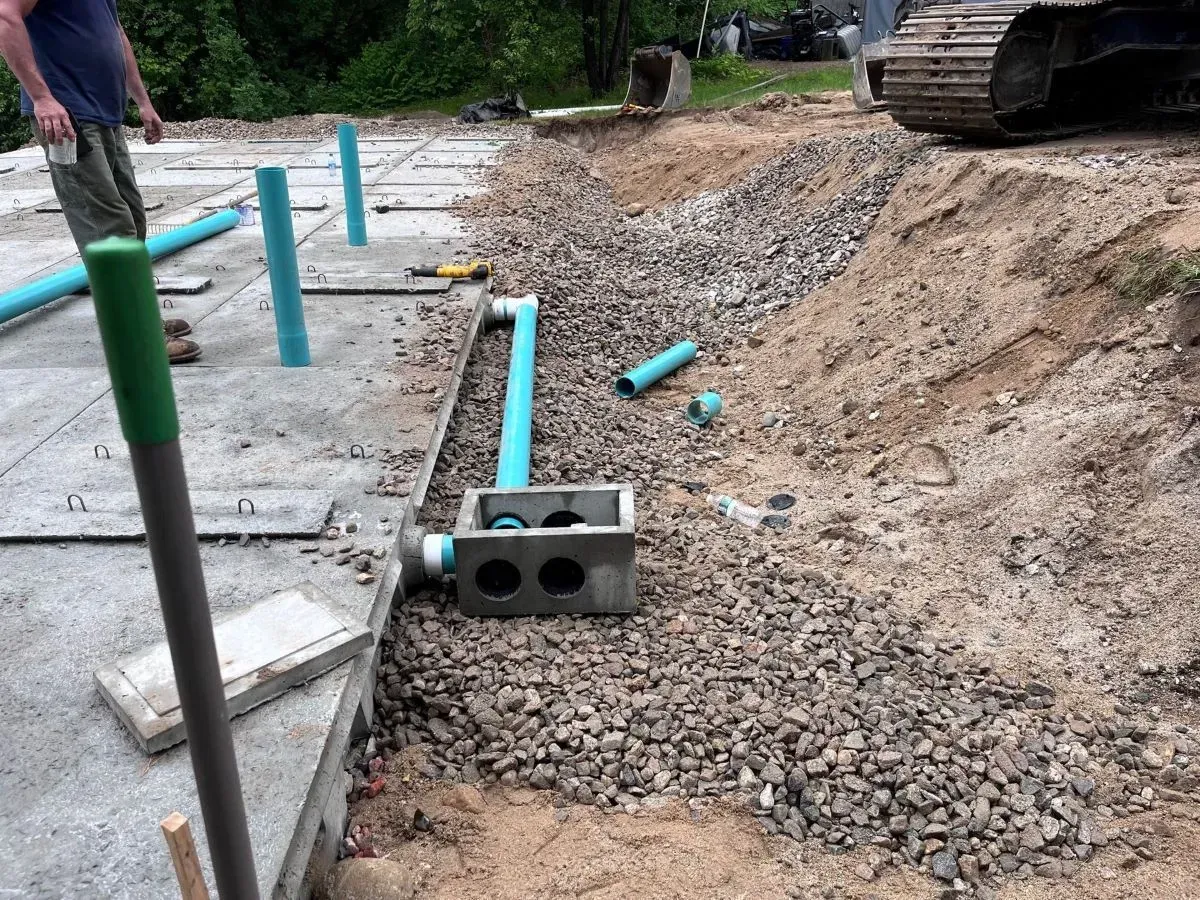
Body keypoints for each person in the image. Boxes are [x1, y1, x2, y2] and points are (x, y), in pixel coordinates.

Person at [0, 0, 200, 362]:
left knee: (133, 218)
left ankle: (140, 315)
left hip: (105, 113)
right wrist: (42, 97)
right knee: (107, 225)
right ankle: (137, 334)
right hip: (66, 117)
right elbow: (5, 16)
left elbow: (116, 33)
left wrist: (141, 100)